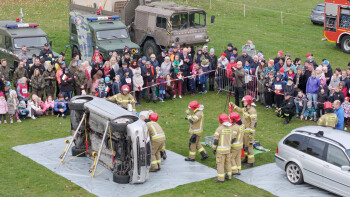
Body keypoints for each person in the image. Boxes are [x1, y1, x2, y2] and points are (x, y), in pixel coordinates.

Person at [229, 95, 257, 167]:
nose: (243, 102)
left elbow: (254, 123)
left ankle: (251, 162)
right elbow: (239, 110)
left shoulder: (252, 111)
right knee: (244, 146)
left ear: (248, 102)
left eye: (244, 101)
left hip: (249, 132)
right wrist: (233, 105)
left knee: (249, 146)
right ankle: (245, 158)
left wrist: (251, 133)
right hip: (244, 131)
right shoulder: (245, 109)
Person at [212, 113, 234, 183]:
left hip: (220, 151)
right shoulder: (231, 128)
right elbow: (233, 139)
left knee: (220, 164)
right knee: (228, 163)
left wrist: (214, 148)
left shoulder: (219, 129)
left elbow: (215, 141)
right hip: (228, 150)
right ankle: (229, 176)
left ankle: (220, 179)